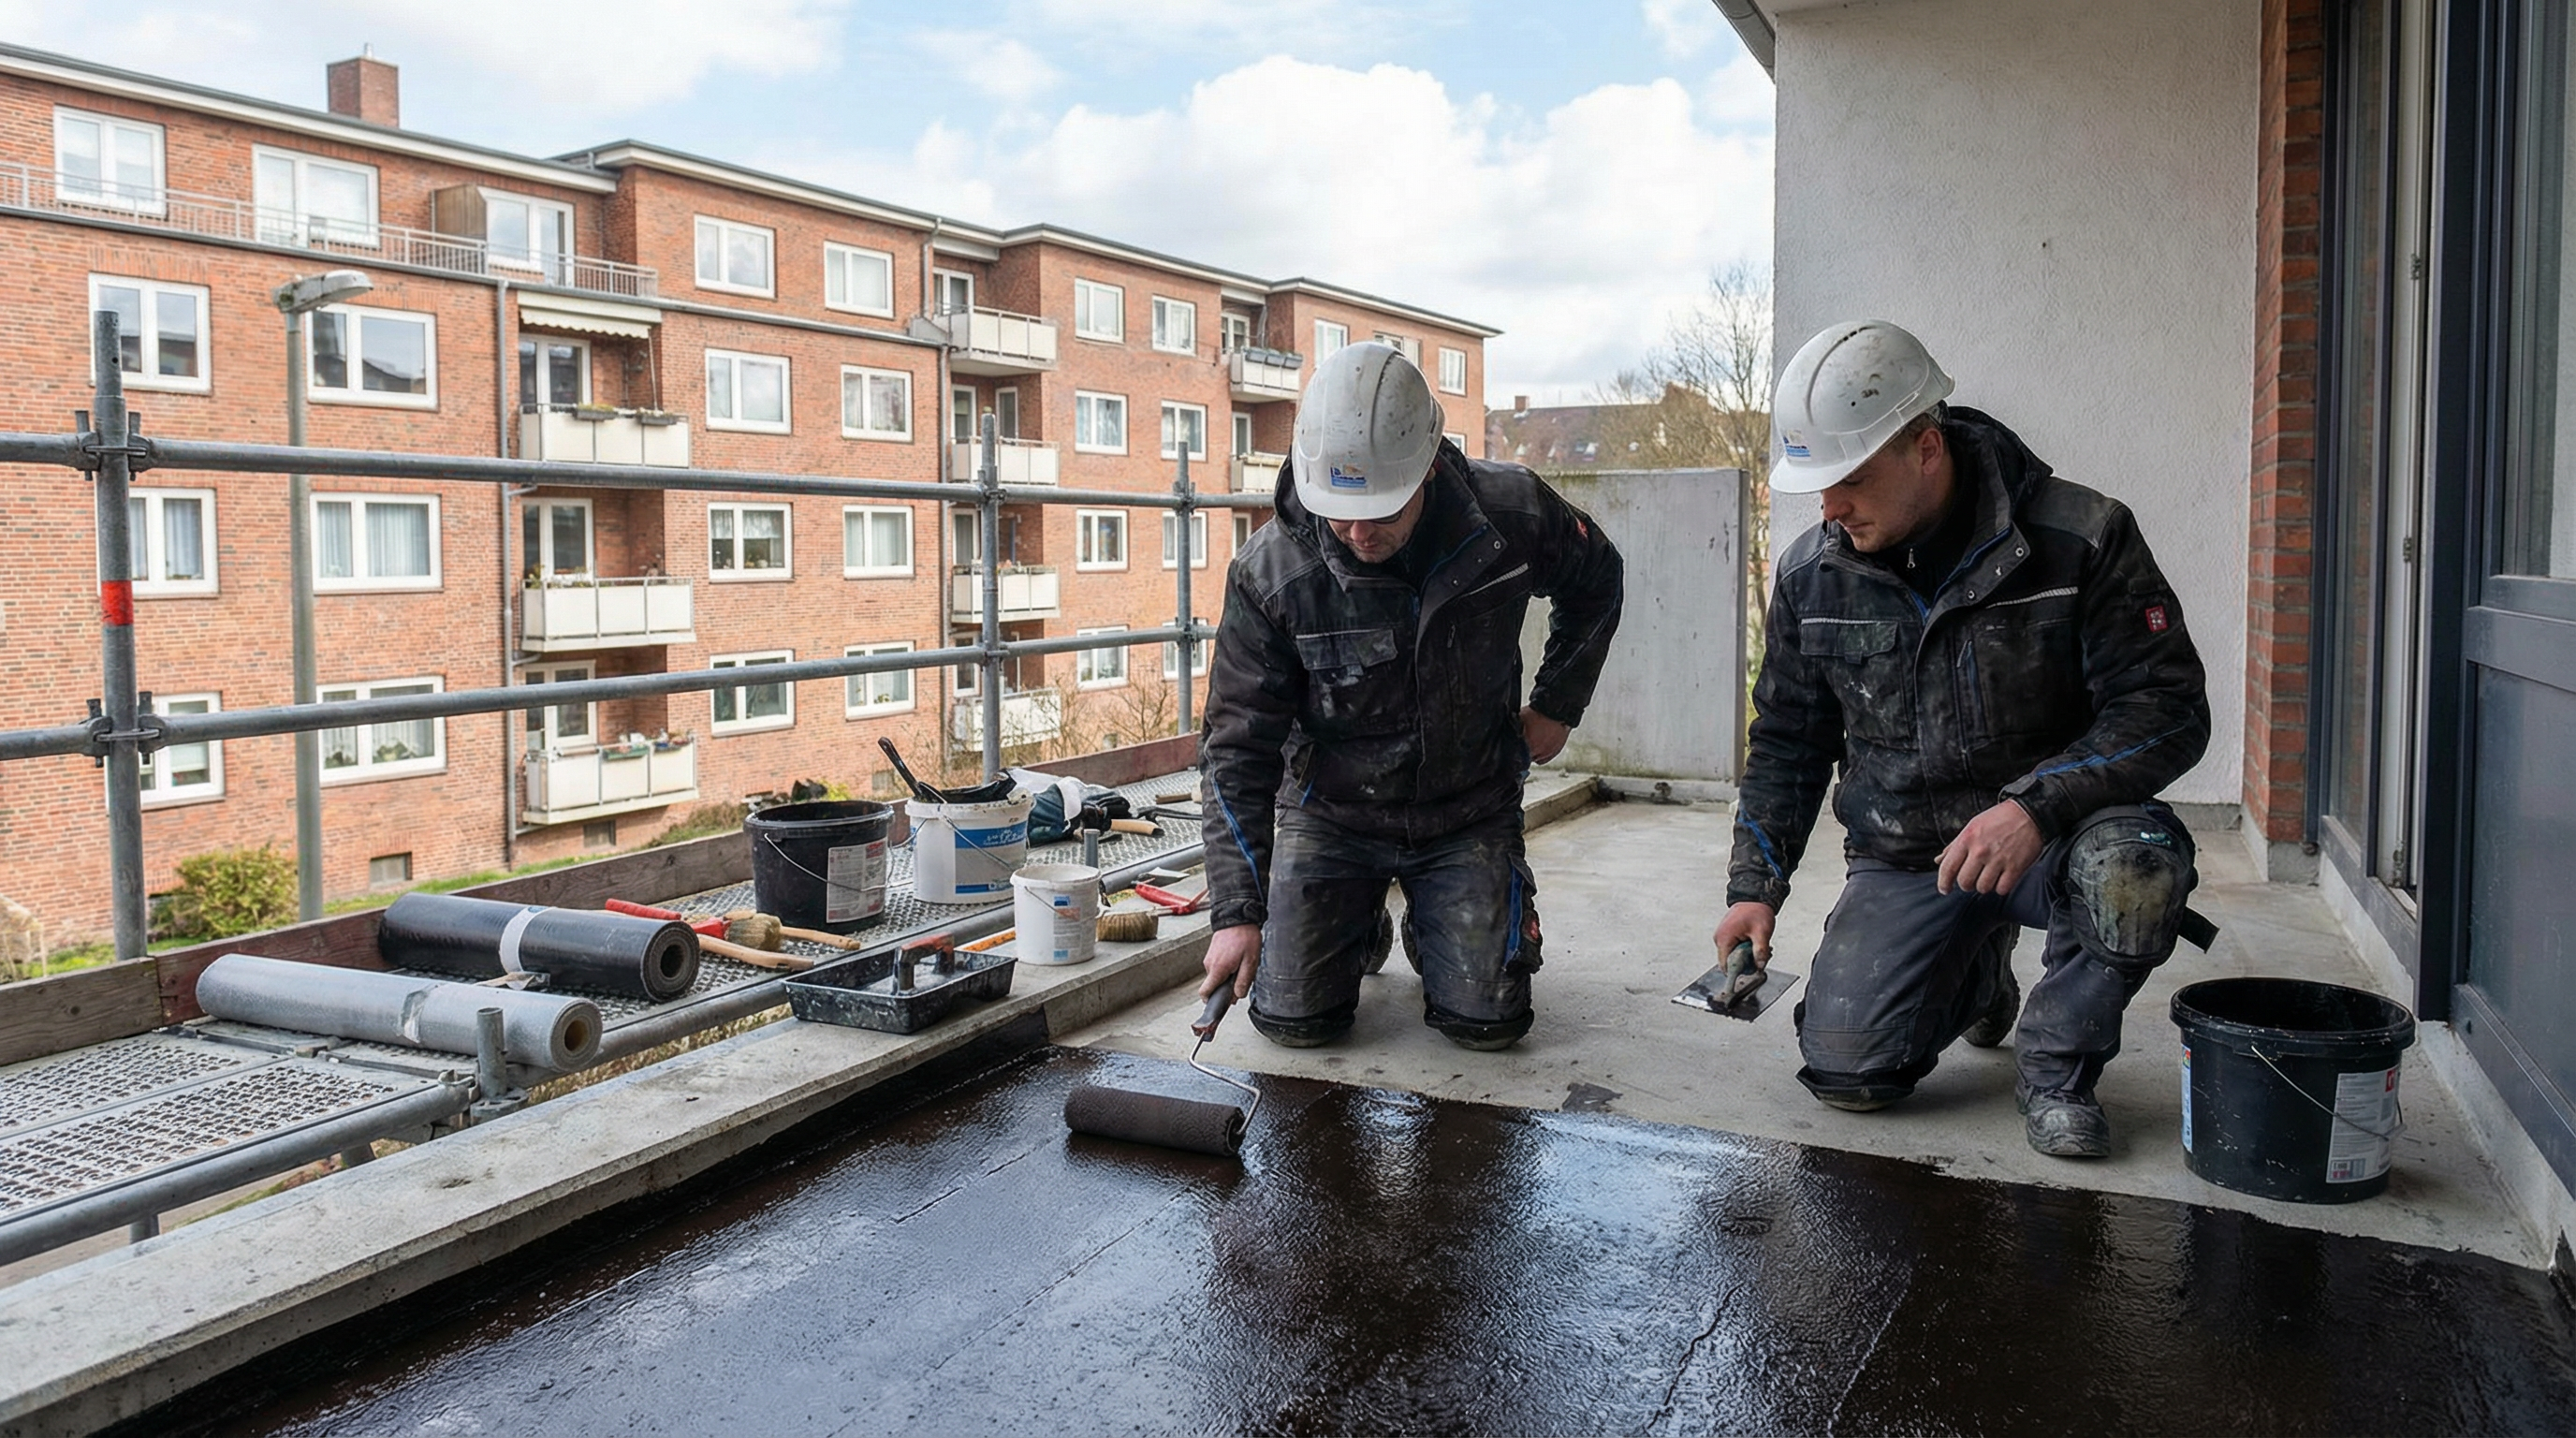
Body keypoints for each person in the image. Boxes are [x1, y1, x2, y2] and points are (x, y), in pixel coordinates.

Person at [1716, 319, 2217, 1157]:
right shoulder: (1812, 574)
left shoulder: (2081, 539)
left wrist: (2036, 807)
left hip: (2054, 843)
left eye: (1850, 478)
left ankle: (2057, 1067)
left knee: (2136, 868)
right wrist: (1755, 885)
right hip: (1911, 855)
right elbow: (1789, 742)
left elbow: (2168, 706)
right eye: (1817, 484)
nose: (1830, 506)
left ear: (1925, 446)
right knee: (1848, 1074)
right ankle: (1976, 969)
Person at [1196, 342, 1624, 1050]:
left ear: (1427, 466)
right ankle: (1353, 917)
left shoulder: (1510, 515)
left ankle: (1440, 921)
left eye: (1381, 511)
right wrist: (1236, 911)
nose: (1359, 533)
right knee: (1294, 1024)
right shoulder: (1270, 573)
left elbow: (1597, 576)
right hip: (1329, 814)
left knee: (1488, 1024)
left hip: (1467, 807)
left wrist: (1558, 703)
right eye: (1340, 513)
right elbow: (1236, 747)